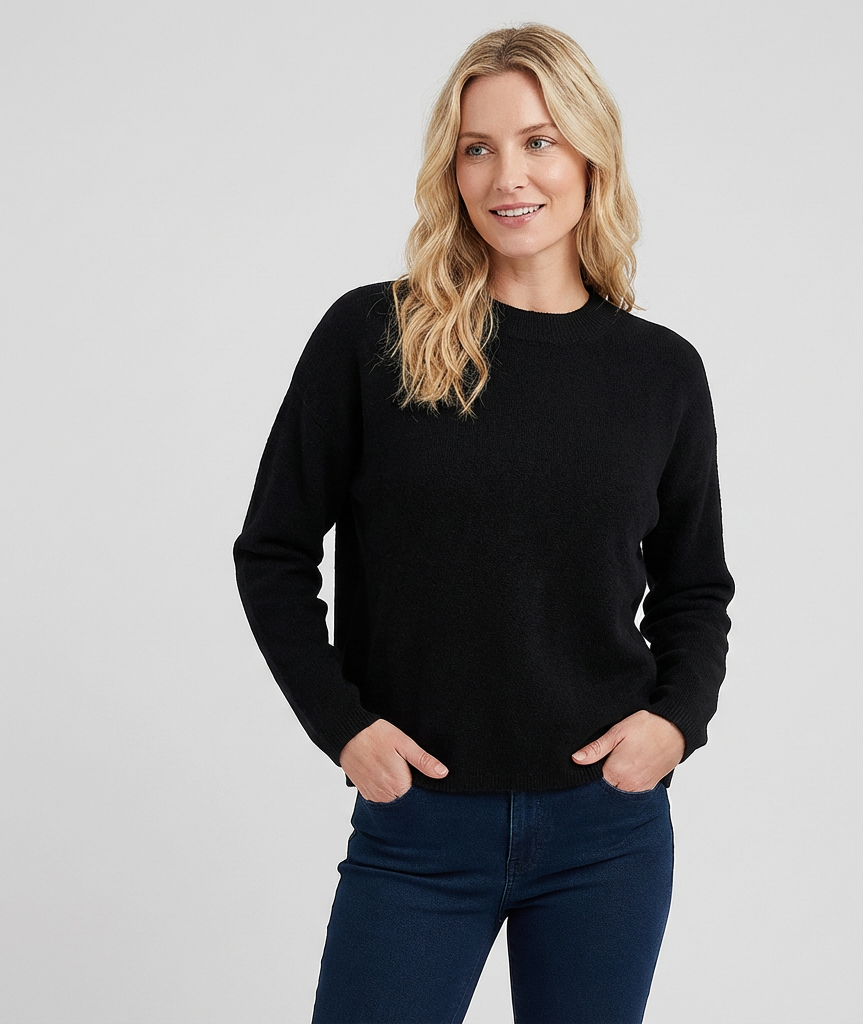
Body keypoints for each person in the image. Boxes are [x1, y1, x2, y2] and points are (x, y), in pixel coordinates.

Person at [233, 22, 735, 1024]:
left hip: (607, 835)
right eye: (477, 148)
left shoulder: (660, 372)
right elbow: (273, 552)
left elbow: (694, 587)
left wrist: (677, 721)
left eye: (538, 140)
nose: (508, 176)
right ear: (450, 169)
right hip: (418, 831)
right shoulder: (372, 337)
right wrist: (343, 728)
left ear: (590, 154)